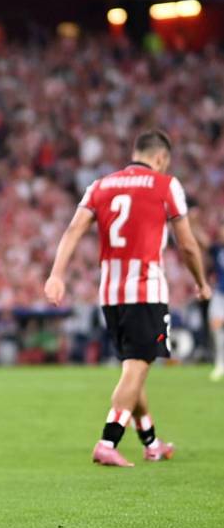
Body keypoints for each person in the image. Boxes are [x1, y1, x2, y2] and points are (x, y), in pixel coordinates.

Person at [44, 130, 211, 467]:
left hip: (110, 293)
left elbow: (73, 230)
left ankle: (151, 443)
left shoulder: (100, 185)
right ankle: (108, 442)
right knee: (137, 367)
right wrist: (201, 282)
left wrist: (57, 274)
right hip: (146, 290)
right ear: (161, 158)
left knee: (133, 369)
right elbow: (188, 244)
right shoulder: (166, 186)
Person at [208, 226, 224, 381]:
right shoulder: (217, 249)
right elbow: (203, 243)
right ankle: (220, 364)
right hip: (220, 294)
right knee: (216, 328)